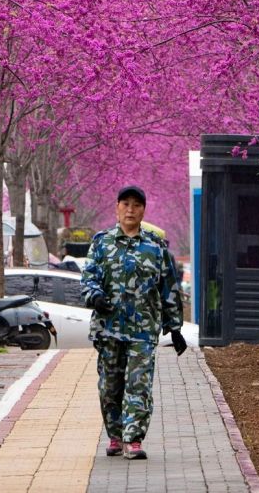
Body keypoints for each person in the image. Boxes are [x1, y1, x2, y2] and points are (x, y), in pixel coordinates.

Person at [81, 185, 187, 461]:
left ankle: (133, 439)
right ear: (117, 208)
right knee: (110, 387)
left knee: (138, 384)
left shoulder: (155, 247)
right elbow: (88, 277)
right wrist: (95, 296)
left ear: (143, 210)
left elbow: (169, 287)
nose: (131, 209)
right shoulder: (102, 243)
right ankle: (115, 436)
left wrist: (175, 328)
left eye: (136, 205)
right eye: (125, 204)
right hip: (108, 328)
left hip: (143, 331)